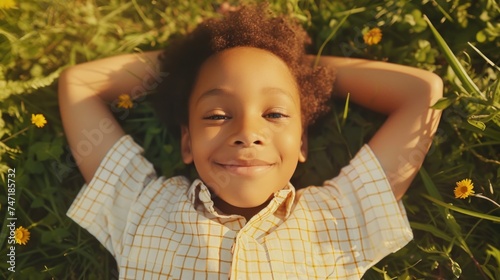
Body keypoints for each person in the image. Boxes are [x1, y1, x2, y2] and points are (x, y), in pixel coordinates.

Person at [58, 4, 443, 279]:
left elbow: (423, 93)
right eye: (217, 115)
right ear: (187, 142)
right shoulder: (142, 209)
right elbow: (80, 85)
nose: (246, 132)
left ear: (302, 142)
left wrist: (297, 67)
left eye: (275, 113)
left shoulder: (340, 218)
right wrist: (189, 61)